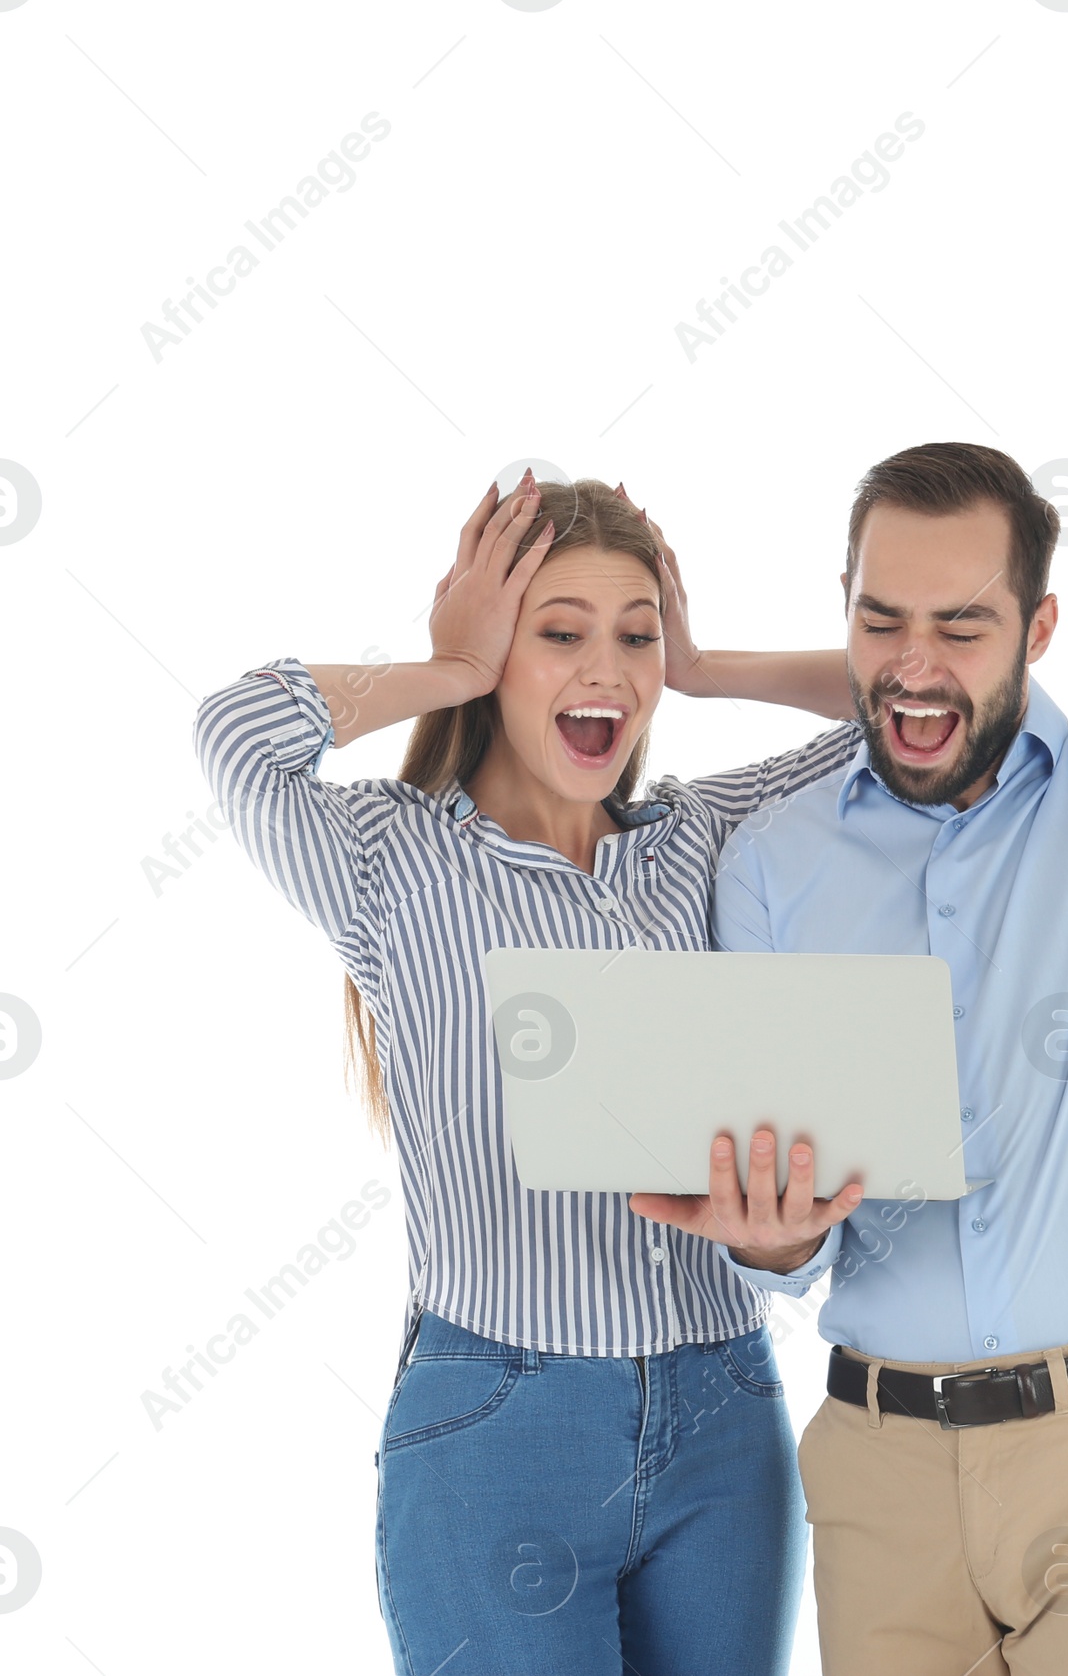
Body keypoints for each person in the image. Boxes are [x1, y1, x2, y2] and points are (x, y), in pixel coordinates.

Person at [628, 11, 1068, 1674]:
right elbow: (795, 1236)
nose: (913, 666)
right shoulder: (774, 863)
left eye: (961, 626)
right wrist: (771, 1234)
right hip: (876, 1469)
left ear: (1038, 622)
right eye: (879, 618)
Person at [191, 475, 865, 1676]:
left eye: (635, 634)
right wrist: (447, 663)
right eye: (558, 633)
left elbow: (920, 702)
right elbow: (237, 733)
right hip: (497, 1425)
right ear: (501, 650)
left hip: (724, 1414)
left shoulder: (702, 836)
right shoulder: (393, 858)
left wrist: (706, 665)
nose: (605, 668)